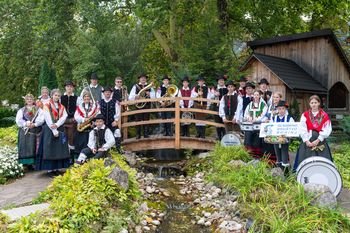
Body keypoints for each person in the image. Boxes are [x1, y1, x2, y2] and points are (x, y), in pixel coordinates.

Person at [293, 95, 332, 170]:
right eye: (312, 103)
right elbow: (302, 128)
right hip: (307, 142)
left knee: (321, 162)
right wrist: (306, 141)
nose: (313, 104)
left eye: (315, 102)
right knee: (305, 160)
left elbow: (327, 129)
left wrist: (318, 140)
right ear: (309, 104)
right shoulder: (305, 115)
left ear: (319, 103)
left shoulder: (324, 115)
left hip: (320, 142)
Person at [36, 89, 70, 173]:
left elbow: (64, 116)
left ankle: (57, 168)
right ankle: (50, 169)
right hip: (49, 129)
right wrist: (54, 129)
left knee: (58, 149)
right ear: (52, 95)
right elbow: (47, 118)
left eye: (58, 95)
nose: (57, 97)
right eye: (55, 95)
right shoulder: (47, 105)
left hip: (59, 128)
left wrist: (57, 124)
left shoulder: (61, 106)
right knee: (50, 148)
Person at [16, 94, 44, 167]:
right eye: (28, 99)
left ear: (33, 100)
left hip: (35, 131)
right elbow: (18, 120)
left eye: (31, 99)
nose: (29, 100)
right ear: (25, 100)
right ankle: (25, 163)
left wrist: (35, 124)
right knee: (25, 147)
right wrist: (26, 123)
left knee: (33, 147)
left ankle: (33, 164)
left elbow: (41, 119)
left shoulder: (38, 109)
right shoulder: (21, 110)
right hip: (24, 131)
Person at [270, 100, 294, 173]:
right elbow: (270, 128)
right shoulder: (274, 118)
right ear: (277, 110)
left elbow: (292, 129)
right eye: (279, 109)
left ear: (285, 109)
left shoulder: (289, 118)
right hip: (276, 140)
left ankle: (286, 173)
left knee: (284, 156)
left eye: (283, 108)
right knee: (278, 156)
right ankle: (278, 172)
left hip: (285, 141)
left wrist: (290, 135)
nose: (281, 110)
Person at [129, 74, 155, 139]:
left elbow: (154, 97)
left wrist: (150, 94)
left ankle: (146, 134)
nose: (143, 79)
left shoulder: (149, 87)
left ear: (146, 79)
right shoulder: (135, 86)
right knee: (138, 119)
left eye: (144, 78)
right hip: (138, 106)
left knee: (146, 119)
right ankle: (138, 134)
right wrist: (136, 96)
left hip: (147, 105)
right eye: (142, 78)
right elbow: (130, 97)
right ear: (139, 79)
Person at [243, 90, 268, 158]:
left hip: (259, 125)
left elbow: (263, 114)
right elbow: (246, 114)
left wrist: (256, 119)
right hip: (250, 125)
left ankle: (257, 156)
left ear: (260, 96)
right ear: (253, 96)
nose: (256, 96)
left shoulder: (263, 104)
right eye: (255, 95)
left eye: (257, 95)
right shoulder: (250, 104)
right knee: (248, 140)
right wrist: (249, 118)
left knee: (257, 141)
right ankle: (248, 155)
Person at [100, 86, 122, 153]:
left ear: (111, 93)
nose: (107, 93)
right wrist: (100, 122)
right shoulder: (100, 102)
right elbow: (98, 113)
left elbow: (118, 112)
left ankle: (117, 149)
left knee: (117, 132)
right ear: (104, 93)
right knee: (102, 134)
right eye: (106, 92)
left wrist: (116, 121)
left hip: (112, 122)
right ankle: (104, 149)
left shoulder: (115, 102)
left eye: (109, 92)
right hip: (102, 123)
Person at [60, 81, 78, 151]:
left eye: (71, 86)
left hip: (72, 120)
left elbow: (78, 109)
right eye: (68, 86)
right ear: (65, 87)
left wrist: (75, 117)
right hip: (62, 120)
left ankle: (71, 157)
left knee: (71, 137)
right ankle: (63, 153)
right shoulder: (61, 97)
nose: (69, 88)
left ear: (73, 88)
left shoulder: (77, 98)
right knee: (63, 137)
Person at [211, 75, 228, 140]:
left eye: (222, 80)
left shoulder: (227, 88)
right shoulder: (214, 88)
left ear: (224, 81)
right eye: (220, 80)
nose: (221, 81)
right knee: (217, 122)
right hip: (216, 107)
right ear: (218, 81)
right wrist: (214, 94)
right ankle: (219, 137)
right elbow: (209, 97)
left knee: (224, 121)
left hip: (225, 108)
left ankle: (224, 137)